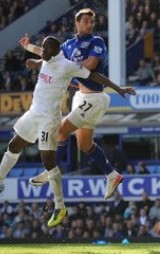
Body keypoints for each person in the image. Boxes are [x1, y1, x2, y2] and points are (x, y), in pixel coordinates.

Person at [0, 36, 134, 227]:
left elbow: (94, 76)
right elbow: (41, 56)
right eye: (43, 48)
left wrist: (117, 88)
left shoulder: (67, 65)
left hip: (49, 119)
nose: (43, 51)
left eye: (46, 48)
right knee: (13, 145)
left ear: (55, 50)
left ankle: (60, 207)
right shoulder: (47, 58)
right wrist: (31, 53)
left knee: (48, 162)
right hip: (33, 113)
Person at [19, 8, 136, 199]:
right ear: (77, 23)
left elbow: (90, 65)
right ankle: (112, 175)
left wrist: (65, 67)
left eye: (92, 21)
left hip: (95, 98)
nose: (90, 24)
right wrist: (30, 49)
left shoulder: (96, 41)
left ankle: (50, 171)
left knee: (61, 131)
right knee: (84, 145)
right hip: (81, 98)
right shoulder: (68, 44)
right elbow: (50, 55)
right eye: (86, 21)